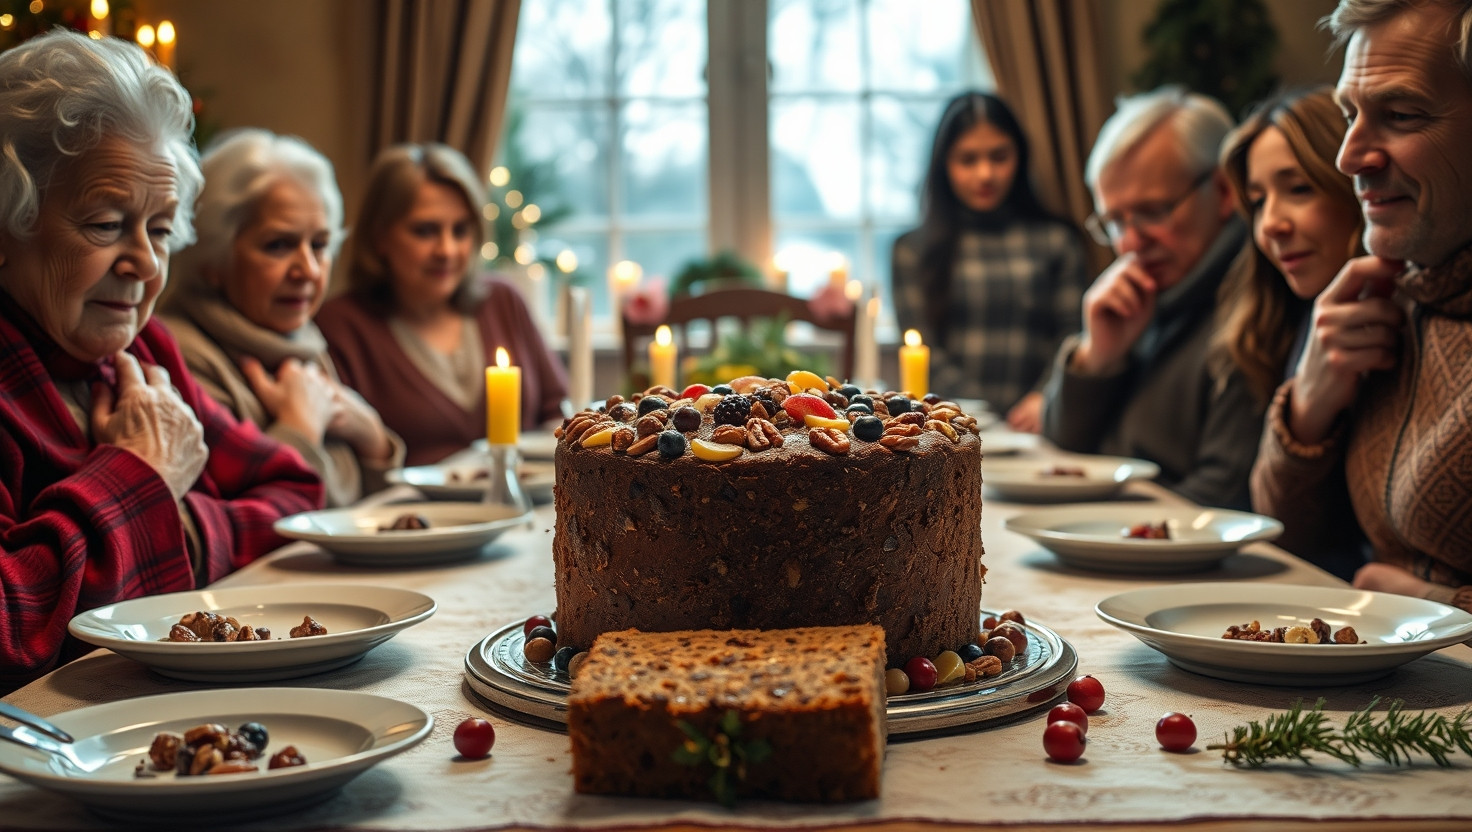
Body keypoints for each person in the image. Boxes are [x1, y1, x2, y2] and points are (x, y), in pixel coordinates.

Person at [0, 32, 323, 689]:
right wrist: (141, 475)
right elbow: (10, 623)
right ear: (10, 225)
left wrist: (171, 521)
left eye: (161, 228)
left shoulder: (144, 352)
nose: (146, 265)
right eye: (104, 224)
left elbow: (296, 496)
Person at [1252, 0, 1472, 611]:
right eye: (1350, 114)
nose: (1349, 157)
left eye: (1401, 115)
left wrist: (1441, 603)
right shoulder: (1392, 292)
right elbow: (1287, 544)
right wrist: (1308, 411)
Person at [1040, 86, 1264, 510]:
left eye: (1153, 212)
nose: (1129, 244)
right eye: (1114, 222)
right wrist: (1096, 359)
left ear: (1222, 191)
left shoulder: (1257, 306)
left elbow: (1220, 502)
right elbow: (1059, 451)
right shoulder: (1145, 293)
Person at [158, 129, 404, 507]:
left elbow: (375, 522)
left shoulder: (297, 339)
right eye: (279, 245)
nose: (308, 269)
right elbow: (233, 529)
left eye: (319, 245)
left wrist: (370, 435)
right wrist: (300, 428)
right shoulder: (179, 354)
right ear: (213, 257)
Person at [316, 143, 568, 466]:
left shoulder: (503, 301)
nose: (447, 250)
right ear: (380, 237)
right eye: (425, 231)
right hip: (411, 514)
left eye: (460, 230)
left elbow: (559, 413)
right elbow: (343, 466)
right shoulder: (340, 325)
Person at [1214, 87, 1367, 578]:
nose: (1270, 225)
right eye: (1258, 201)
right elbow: (1282, 530)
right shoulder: (1291, 319)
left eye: (1299, 188)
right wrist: (1306, 414)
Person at [892, 92, 1089, 432]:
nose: (986, 174)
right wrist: (981, 412)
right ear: (943, 165)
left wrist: (1045, 397)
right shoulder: (912, 249)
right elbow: (925, 351)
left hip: (1042, 425)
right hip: (950, 425)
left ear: (1020, 156)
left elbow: (1073, 336)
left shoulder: (1058, 241)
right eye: (967, 160)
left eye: (999, 156)